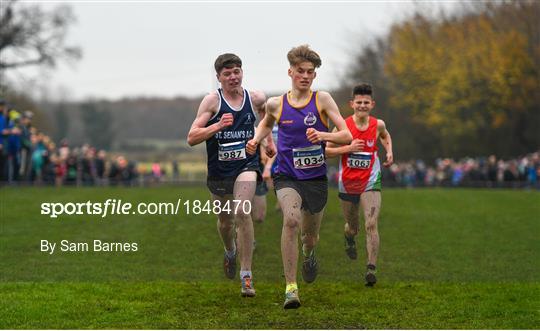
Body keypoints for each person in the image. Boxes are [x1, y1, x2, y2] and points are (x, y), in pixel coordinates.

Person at [247, 45, 352, 309]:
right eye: (301, 71)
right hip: (287, 175)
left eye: (310, 72)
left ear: (314, 76)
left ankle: (309, 253)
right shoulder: (276, 104)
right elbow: (266, 123)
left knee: (309, 236)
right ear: (290, 72)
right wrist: (257, 139)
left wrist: (324, 135)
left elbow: (347, 135)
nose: (305, 76)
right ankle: (291, 288)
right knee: (291, 220)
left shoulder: (323, 100)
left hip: (315, 178)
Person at [187, 53, 274, 297]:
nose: (233, 77)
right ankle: (229, 251)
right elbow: (192, 137)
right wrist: (217, 126)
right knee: (225, 223)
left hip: (247, 164)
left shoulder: (255, 97)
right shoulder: (212, 102)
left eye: (237, 72)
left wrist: (267, 141)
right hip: (219, 171)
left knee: (242, 212)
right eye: (227, 74)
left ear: (242, 72)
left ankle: (246, 276)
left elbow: (266, 120)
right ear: (219, 77)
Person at [325, 83, 393, 287]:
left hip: (371, 179)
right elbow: (326, 151)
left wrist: (388, 151)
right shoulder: (342, 126)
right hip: (348, 182)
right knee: (353, 228)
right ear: (352, 104)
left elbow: (385, 136)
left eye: (366, 102)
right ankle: (349, 238)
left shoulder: (378, 124)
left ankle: (371, 268)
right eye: (359, 102)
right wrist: (348, 148)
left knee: (371, 223)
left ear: (372, 104)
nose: (362, 105)